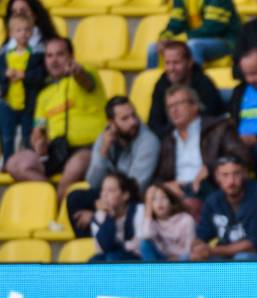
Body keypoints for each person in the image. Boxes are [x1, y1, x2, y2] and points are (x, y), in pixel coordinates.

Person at [5, 37, 106, 201]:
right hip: (57, 150)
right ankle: (53, 196)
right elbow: (39, 128)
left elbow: (85, 79)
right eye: (49, 56)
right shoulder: (45, 94)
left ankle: (55, 213)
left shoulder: (87, 72)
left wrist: (76, 70)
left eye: (60, 54)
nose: (54, 61)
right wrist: (39, 142)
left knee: (74, 167)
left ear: (71, 57)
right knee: (14, 163)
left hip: (87, 148)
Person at [68, 96, 161, 237]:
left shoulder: (149, 141)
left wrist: (98, 213)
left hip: (135, 200)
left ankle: (104, 235)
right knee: (76, 198)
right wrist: (104, 150)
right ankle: (94, 240)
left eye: (134, 115)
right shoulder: (106, 137)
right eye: (125, 119)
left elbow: (135, 187)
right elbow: (93, 182)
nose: (133, 122)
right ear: (112, 123)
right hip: (112, 193)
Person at [153, 85, 250, 208]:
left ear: (194, 106)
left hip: (207, 187)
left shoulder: (219, 128)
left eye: (179, 104)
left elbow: (241, 156)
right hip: (177, 192)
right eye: (170, 107)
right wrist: (166, 185)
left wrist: (210, 168)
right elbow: (158, 176)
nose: (174, 110)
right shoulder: (167, 139)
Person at [190, 156, 257, 260]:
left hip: (256, 257)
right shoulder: (213, 201)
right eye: (225, 175)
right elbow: (202, 234)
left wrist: (211, 251)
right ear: (217, 176)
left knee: (241, 258)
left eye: (236, 174)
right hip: (223, 256)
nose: (231, 181)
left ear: (244, 174)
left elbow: (255, 242)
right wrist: (197, 247)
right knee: (185, 258)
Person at [148, 41, 224, 138]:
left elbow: (211, 117)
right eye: (167, 63)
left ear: (190, 62)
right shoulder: (161, 84)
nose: (171, 68)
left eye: (176, 63)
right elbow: (154, 122)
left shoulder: (204, 83)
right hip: (170, 138)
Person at [0, 14, 44, 161]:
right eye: (19, 30)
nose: (23, 34)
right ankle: (7, 162)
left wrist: (24, 75)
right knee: (7, 136)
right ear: (11, 33)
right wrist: (6, 73)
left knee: (27, 135)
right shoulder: (5, 56)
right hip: (7, 102)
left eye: (27, 30)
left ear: (31, 32)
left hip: (28, 104)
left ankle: (28, 161)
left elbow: (39, 76)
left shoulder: (36, 56)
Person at [147, 0, 242, 68]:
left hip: (226, 42)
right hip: (194, 38)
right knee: (153, 48)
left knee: (193, 45)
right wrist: (164, 38)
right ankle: (156, 86)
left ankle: (194, 86)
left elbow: (212, 29)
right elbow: (176, 22)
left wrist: (182, 38)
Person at [89, 172, 144, 262]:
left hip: (138, 261)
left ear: (125, 195)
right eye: (103, 190)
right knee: (95, 261)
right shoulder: (99, 216)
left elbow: (140, 246)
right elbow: (104, 247)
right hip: (111, 257)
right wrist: (109, 217)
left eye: (110, 190)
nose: (104, 195)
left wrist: (121, 247)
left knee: (113, 257)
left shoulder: (139, 211)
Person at [139, 183, 196, 261]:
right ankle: (151, 272)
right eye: (154, 199)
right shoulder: (151, 222)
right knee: (144, 244)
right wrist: (148, 207)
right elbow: (146, 235)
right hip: (163, 259)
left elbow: (190, 249)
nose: (159, 202)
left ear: (171, 202)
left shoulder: (186, 220)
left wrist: (175, 259)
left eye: (163, 198)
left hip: (181, 259)